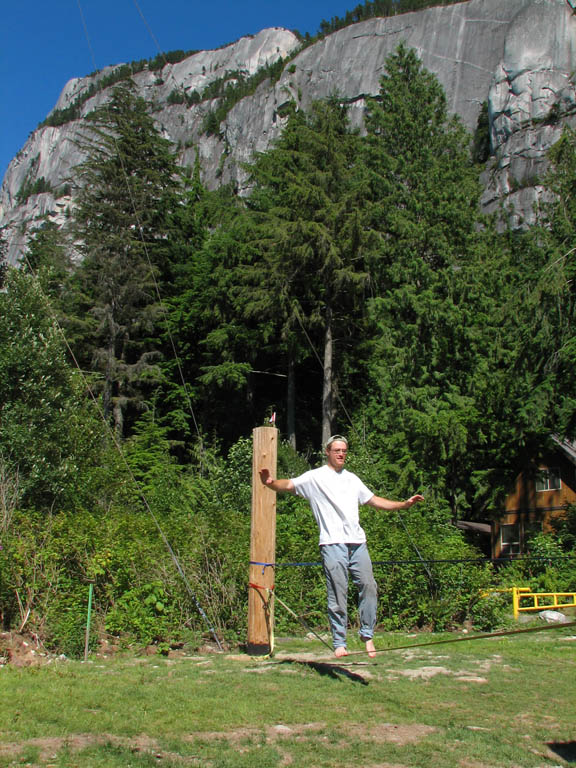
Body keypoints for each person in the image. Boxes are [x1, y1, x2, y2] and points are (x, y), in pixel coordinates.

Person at [259, 435, 424, 658]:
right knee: (338, 592)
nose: (341, 454)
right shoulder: (314, 478)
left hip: (357, 543)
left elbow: (375, 500)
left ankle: (367, 634)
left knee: (369, 586)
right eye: (337, 450)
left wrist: (403, 505)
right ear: (327, 452)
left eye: (344, 451)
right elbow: (288, 484)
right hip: (331, 543)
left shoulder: (353, 480)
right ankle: (339, 641)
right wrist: (270, 483)